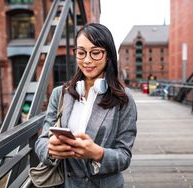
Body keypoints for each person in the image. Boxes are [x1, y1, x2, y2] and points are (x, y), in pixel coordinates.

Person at [35, 23, 137, 188]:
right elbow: (41, 141)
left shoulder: (123, 99)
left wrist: (98, 153)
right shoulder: (60, 94)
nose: (87, 60)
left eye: (96, 53)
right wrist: (51, 150)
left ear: (109, 55)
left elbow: (124, 156)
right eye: (81, 53)